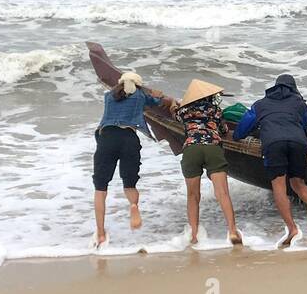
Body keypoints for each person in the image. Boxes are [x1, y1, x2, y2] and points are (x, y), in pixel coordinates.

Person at [235, 73, 307, 246]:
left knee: (279, 187)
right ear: (294, 88)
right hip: (298, 142)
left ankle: (292, 229)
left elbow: (244, 127)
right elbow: (304, 125)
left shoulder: (260, 104)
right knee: (298, 183)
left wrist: (238, 135)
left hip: (273, 143)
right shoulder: (299, 104)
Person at [92, 70, 175, 246]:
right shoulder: (141, 96)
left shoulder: (108, 96)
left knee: (100, 188)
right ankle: (133, 206)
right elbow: (163, 101)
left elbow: (119, 95)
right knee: (129, 183)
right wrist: (158, 95)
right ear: (138, 84)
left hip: (107, 138)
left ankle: (100, 232)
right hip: (129, 139)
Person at [175, 78, 243, 245]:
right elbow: (224, 130)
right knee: (222, 193)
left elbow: (175, 115)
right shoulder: (215, 110)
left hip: (192, 149)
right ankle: (232, 230)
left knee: (193, 195)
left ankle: (194, 236)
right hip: (213, 148)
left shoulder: (183, 112)